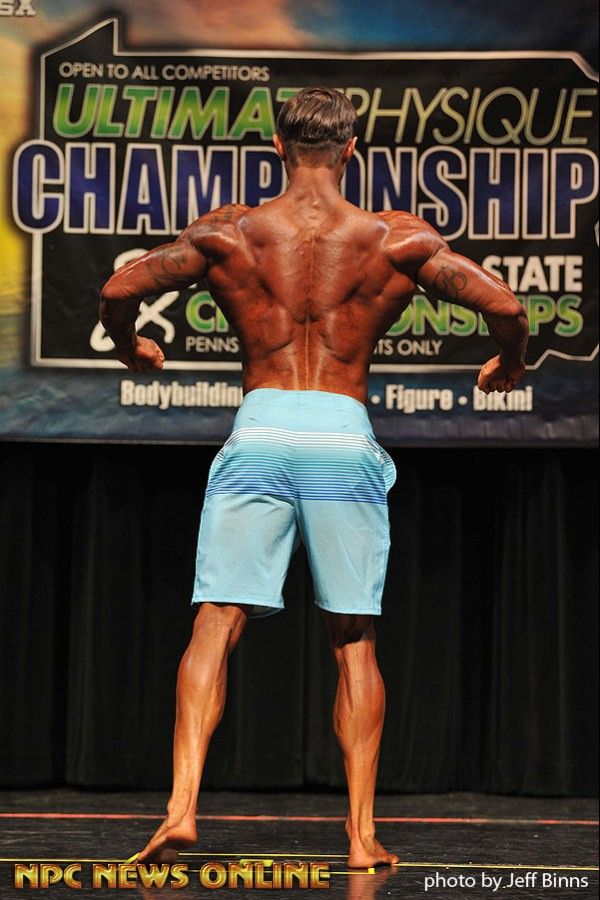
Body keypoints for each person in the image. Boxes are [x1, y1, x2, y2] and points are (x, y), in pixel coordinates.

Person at [99, 87, 529, 868]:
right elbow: (507, 307)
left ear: (277, 146)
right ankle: (361, 837)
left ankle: (180, 808)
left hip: (261, 430)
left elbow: (117, 290)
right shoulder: (394, 238)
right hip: (341, 435)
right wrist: (509, 361)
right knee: (353, 640)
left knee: (214, 624)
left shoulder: (229, 232)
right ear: (352, 149)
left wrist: (133, 350)